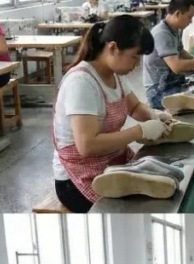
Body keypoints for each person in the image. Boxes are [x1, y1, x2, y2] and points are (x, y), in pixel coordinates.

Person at [52, 17, 172, 212]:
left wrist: (153, 114)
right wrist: (139, 131)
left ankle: (133, 176)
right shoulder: (81, 82)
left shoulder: (113, 74)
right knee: (142, 209)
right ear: (113, 48)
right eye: (134, 57)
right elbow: (87, 146)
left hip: (111, 160)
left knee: (163, 178)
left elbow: (134, 108)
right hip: (75, 179)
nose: (137, 64)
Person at [144, 0, 194, 108]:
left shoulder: (174, 30)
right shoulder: (162, 33)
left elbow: (182, 53)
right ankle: (182, 102)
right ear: (177, 14)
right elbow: (177, 67)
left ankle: (186, 98)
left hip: (173, 82)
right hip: (159, 92)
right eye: (189, 17)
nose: (190, 22)